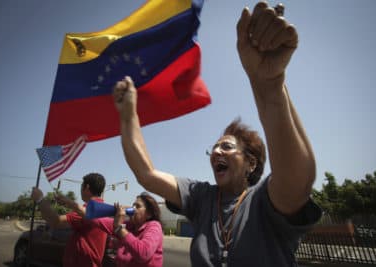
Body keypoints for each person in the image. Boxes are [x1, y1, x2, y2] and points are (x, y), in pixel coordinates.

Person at [112, 2, 322, 266]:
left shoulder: (264, 201)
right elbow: (147, 174)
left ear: (251, 163)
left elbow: (297, 180)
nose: (216, 152)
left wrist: (269, 85)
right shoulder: (201, 197)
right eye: (214, 148)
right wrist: (128, 115)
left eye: (227, 147)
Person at [31, 172, 107, 267]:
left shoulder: (88, 210)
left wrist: (40, 199)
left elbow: (56, 221)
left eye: (81, 186)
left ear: (87, 187)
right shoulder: (102, 208)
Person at [92, 192, 163, 267]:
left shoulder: (154, 226)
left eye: (137, 206)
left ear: (149, 214)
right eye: (133, 205)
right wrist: (83, 211)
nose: (133, 209)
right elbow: (102, 221)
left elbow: (143, 253)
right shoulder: (130, 225)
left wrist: (120, 228)